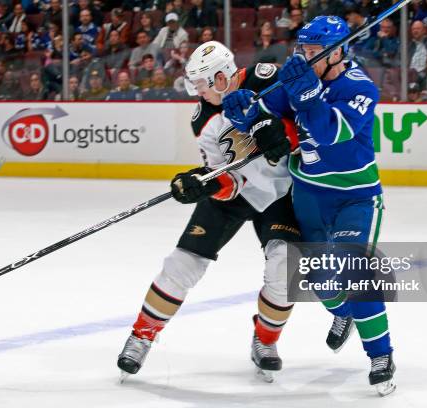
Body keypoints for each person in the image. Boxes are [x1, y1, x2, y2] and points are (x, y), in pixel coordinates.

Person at [223, 16, 396, 396]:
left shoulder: (359, 87)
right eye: (302, 49)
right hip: (309, 195)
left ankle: (380, 355)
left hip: (356, 197)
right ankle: (344, 313)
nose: (304, 57)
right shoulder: (301, 77)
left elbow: (330, 133)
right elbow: (264, 113)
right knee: (320, 283)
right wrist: (243, 111)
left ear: (337, 53)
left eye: (314, 52)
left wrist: (307, 96)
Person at [117, 41, 301, 383]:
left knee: (285, 270)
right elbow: (224, 176)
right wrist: (204, 184)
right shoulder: (203, 118)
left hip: (282, 192)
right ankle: (141, 336)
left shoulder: (265, 81)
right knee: (182, 263)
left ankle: (265, 340)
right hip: (238, 192)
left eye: (201, 83)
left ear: (220, 77)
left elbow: (305, 114)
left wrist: (287, 134)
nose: (197, 91)